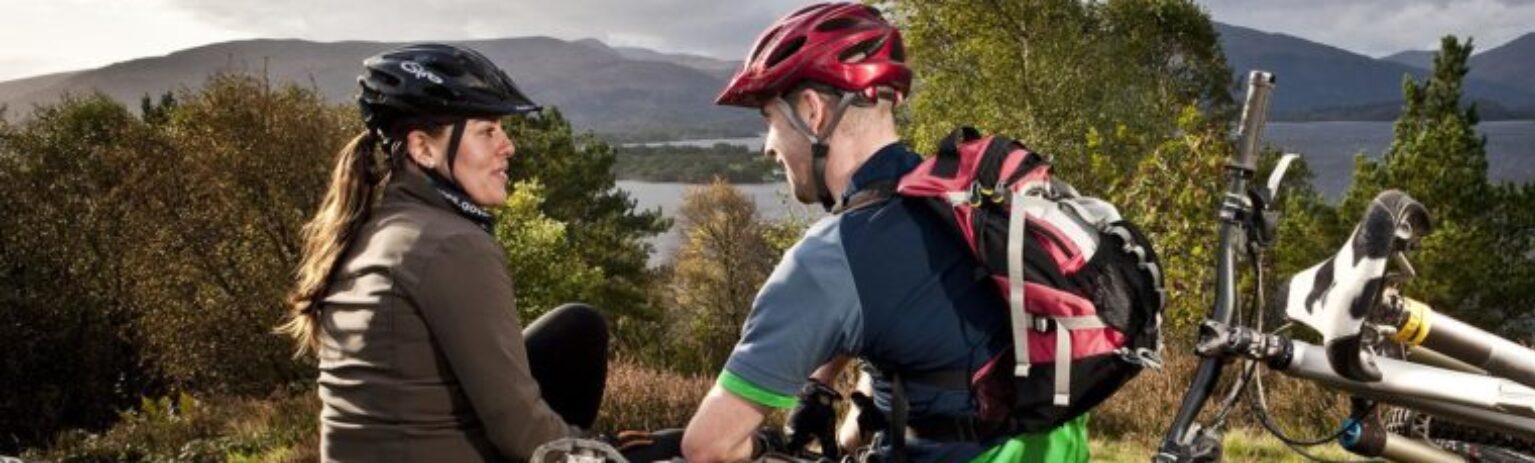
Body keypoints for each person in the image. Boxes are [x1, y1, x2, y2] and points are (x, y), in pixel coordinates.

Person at [628, 3, 1090, 462]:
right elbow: (909, 330)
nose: (768, 147)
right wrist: (823, 382)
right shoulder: (959, 203)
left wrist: (765, 446)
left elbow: (708, 446)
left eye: (769, 119)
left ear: (811, 112)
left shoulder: (829, 258)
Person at [279, 43, 610, 462]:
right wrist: (601, 457)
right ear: (423, 148)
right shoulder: (452, 245)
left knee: (574, 331)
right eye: (487, 131)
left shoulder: (369, 230)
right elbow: (522, 432)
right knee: (674, 446)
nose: (508, 147)